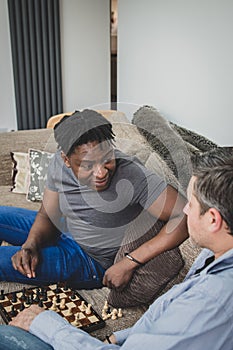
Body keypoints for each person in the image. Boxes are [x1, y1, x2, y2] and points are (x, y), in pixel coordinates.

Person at [0, 158, 232, 349]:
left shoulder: (211, 300)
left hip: (88, 260)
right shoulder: (212, 256)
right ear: (66, 158)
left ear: (212, 220)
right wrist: (118, 337)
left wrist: (44, 322)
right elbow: (164, 327)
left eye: (190, 204)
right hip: (69, 231)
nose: (185, 208)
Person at [0, 110, 188, 290]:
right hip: (64, 228)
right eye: (88, 165)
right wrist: (30, 245)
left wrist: (130, 261)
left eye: (107, 159)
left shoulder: (132, 174)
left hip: (90, 261)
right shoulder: (59, 162)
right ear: (66, 159)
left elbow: (184, 215)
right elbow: (47, 215)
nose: (101, 172)